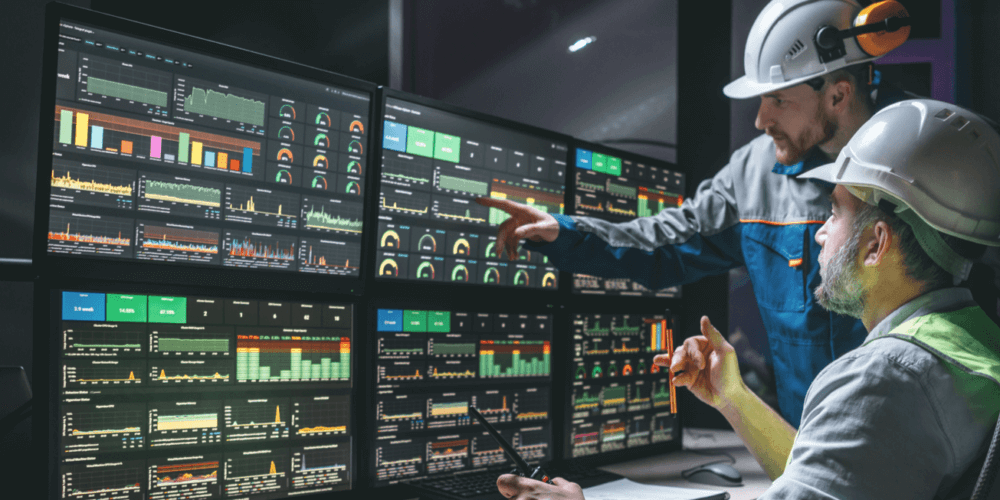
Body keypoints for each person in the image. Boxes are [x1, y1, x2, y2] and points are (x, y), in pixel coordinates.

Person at [497, 99, 1000, 499]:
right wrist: (733, 397)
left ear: (876, 245)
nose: (820, 233)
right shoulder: (971, 341)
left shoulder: (883, 378)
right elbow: (836, 475)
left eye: (833, 213)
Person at [478, 0, 915, 427]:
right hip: (805, 450)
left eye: (777, 100)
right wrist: (566, 233)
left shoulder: (928, 154)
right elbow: (668, 243)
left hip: (912, 448)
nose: (760, 120)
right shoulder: (754, 172)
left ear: (838, 94)